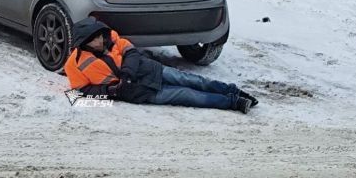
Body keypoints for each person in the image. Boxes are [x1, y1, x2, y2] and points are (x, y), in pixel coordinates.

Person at [64, 17, 259, 113]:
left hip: (150, 70)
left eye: (99, 36)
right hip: (140, 92)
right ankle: (233, 103)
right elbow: (80, 93)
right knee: (187, 95)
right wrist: (110, 90)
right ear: (83, 44)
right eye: (94, 40)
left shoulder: (113, 38)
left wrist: (126, 74)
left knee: (193, 80)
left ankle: (234, 91)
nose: (99, 41)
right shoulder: (75, 64)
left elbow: (132, 52)